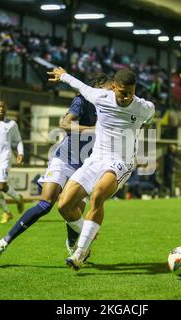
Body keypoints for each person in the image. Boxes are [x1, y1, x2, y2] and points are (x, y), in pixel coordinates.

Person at [0, 73, 112, 260]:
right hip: (64, 159)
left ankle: (72, 243)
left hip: (87, 165)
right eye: (110, 88)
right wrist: (93, 130)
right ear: (99, 86)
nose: (112, 93)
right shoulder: (82, 100)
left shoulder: (111, 108)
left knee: (72, 207)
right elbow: (65, 124)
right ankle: (3, 242)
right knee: (46, 204)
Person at [49, 67, 155, 271]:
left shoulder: (144, 107)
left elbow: (150, 116)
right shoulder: (100, 97)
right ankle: (87, 236)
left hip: (120, 163)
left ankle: (79, 253)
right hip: (95, 159)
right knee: (63, 205)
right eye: (123, 92)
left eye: (131, 93)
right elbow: (80, 86)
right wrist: (63, 75)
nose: (126, 98)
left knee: (97, 195)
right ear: (113, 87)